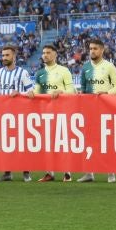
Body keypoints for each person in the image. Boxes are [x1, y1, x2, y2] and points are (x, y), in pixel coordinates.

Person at [30, 43, 75, 182]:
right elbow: (37, 92)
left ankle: (67, 172)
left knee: (62, 142)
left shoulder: (64, 71)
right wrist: (32, 93)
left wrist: (61, 91)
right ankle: (50, 172)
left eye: (48, 52)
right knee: (47, 143)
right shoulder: (40, 73)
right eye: (43, 53)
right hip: (45, 113)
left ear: (55, 54)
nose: (45, 55)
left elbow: (72, 91)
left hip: (62, 112)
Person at [77, 38, 116, 183]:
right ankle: (89, 173)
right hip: (88, 110)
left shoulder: (109, 66)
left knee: (105, 141)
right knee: (87, 141)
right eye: (90, 48)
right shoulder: (85, 67)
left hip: (105, 109)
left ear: (102, 50)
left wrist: (106, 94)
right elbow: (82, 89)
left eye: (95, 48)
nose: (92, 51)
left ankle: (111, 173)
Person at [0, 44, 35, 181]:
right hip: (3, 114)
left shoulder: (22, 72)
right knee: (6, 143)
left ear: (14, 57)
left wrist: (19, 93)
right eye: (3, 55)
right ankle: (7, 172)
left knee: (22, 143)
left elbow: (31, 93)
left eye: (7, 55)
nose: (4, 58)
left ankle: (26, 171)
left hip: (19, 113)